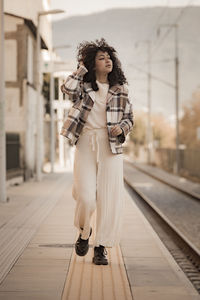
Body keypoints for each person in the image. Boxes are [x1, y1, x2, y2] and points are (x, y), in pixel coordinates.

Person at [60, 38, 134, 265]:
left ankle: (101, 247)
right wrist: (81, 68)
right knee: (85, 196)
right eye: (101, 58)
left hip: (111, 147)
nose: (107, 61)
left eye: (109, 57)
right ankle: (84, 232)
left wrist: (121, 128)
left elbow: (130, 118)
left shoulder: (120, 90)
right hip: (86, 144)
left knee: (109, 198)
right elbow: (66, 89)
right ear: (93, 64)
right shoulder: (83, 87)